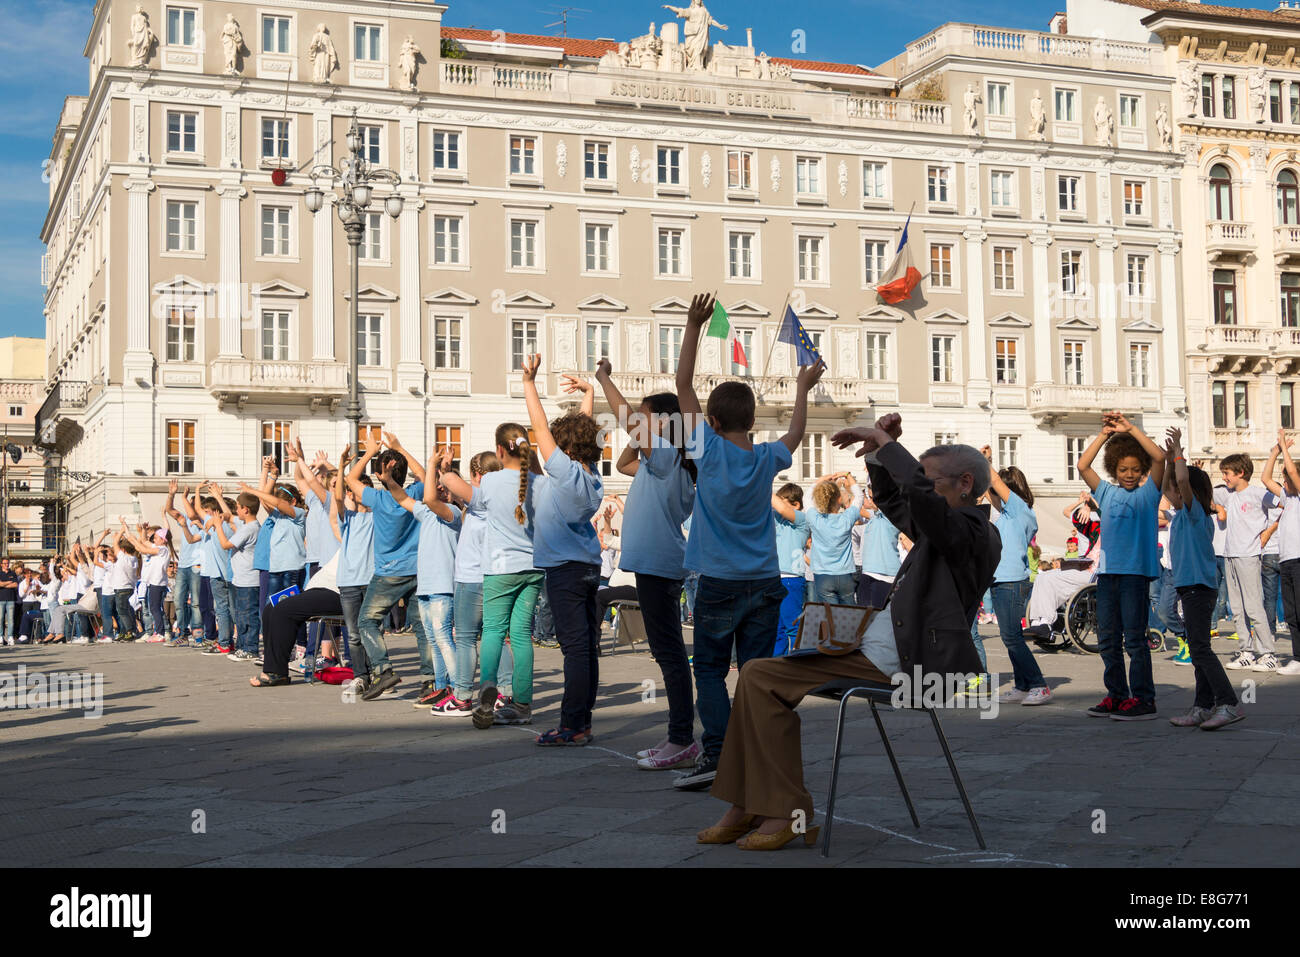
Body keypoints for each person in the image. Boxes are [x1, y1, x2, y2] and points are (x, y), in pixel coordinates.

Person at [697, 414, 996, 850]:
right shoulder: (945, 530)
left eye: (931, 483)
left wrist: (886, 446)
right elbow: (898, 503)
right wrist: (879, 452)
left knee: (759, 678)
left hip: (906, 667)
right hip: (877, 654)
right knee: (756, 676)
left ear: (964, 483)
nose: (923, 492)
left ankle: (786, 811)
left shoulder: (973, 533)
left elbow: (920, 502)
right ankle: (748, 804)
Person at [671, 291, 825, 793]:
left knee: (711, 672)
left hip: (717, 582)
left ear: (712, 422)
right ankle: (756, 754)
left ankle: (717, 754)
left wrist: (692, 327)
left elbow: (682, 385)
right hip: (764, 581)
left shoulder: (707, 450)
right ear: (752, 422)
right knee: (756, 674)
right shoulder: (765, 460)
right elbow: (799, 432)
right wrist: (803, 386)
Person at [596, 362, 700, 766]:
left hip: (659, 564)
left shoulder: (668, 457)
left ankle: (681, 739)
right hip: (657, 562)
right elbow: (623, 464)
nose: (638, 419)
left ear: (665, 422)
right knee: (667, 651)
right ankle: (679, 737)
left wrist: (606, 378)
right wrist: (641, 431)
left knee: (669, 653)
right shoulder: (663, 460)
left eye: (646, 414)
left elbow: (625, 421)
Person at [519, 356, 605, 746]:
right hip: (588, 566)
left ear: (564, 448)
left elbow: (540, 429)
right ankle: (582, 722)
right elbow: (582, 437)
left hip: (565, 571)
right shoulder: (590, 475)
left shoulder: (566, 472)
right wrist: (589, 394)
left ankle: (572, 725)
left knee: (574, 650)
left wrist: (529, 383)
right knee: (587, 647)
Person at [440, 423, 543, 729]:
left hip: (500, 568)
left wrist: (445, 469)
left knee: (494, 632)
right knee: (522, 636)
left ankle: (487, 686)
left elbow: (457, 488)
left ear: (499, 450)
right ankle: (522, 703)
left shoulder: (493, 482)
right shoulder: (538, 482)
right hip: (534, 568)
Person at [1076, 411, 1165, 720]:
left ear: (1142, 471)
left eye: (1135, 469)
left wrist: (1131, 429)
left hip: (1135, 576)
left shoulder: (1149, 495)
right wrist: (1104, 435)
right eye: (1123, 469)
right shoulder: (1107, 493)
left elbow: (1160, 457)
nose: (1129, 474)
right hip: (1109, 575)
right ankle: (1117, 694)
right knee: (1108, 639)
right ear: (1114, 469)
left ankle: (1144, 699)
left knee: (1135, 639)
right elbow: (1082, 465)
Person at [1162, 428, 1246, 728]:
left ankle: (1228, 703)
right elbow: (1167, 487)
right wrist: (1170, 461)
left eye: (1178, 489)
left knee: (1200, 649)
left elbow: (1182, 482)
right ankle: (1202, 705)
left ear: (1191, 493)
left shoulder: (1195, 512)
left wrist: (1180, 452)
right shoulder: (1183, 514)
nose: (1173, 492)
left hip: (1199, 589)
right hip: (1191, 589)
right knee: (1198, 648)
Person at [344, 432, 427, 700]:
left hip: (389, 572)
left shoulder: (378, 499)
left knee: (366, 621)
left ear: (381, 474)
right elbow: (425, 475)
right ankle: (430, 679)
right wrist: (400, 448)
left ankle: (383, 670)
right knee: (421, 626)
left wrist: (369, 453)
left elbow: (350, 480)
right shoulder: (413, 492)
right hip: (416, 568)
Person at [385, 445, 463, 709]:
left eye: (443, 487)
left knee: (443, 637)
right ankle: (442, 687)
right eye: (437, 486)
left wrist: (435, 467)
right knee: (433, 640)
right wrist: (389, 481)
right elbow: (402, 499)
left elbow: (430, 496)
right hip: (427, 586)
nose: (439, 489)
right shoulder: (426, 512)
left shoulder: (454, 514)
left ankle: (459, 688)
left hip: (443, 586)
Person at [443, 450, 513, 716]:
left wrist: (447, 467)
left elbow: (450, 480)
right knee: (497, 637)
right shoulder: (500, 499)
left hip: (471, 579)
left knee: (465, 639)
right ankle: (505, 693)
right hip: (493, 576)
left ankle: (461, 696)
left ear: (477, 475)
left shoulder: (483, 498)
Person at [981, 451, 1051, 706]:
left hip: (1012, 582)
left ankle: (1039, 685)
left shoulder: (1020, 510)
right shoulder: (1008, 515)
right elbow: (991, 490)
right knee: (1009, 636)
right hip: (1001, 580)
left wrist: (984, 462)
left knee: (1012, 637)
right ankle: (1023, 685)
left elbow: (995, 485)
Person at [1217, 450, 1280, 672]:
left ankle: (1268, 653)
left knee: (1253, 606)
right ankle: (1247, 651)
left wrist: (1269, 530)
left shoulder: (1257, 493)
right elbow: (1202, 492)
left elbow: (1283, 505)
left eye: (1227, 473)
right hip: (1230, 554)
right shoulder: (1228, 494)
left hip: (1249, 555)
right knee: (1237, 607)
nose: (1224, 478)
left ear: (1241, 472)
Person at [251, 555, 342, 688]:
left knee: (283, 611)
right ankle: (271, 668)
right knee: (270, 608)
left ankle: (277, 673)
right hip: (316, 588)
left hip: (336, 592)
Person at [329, 445, 374, 690]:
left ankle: (378, 673)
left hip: (371, 580)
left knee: (371, 631)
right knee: (354, 634)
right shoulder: (350, 518)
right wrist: (341, 465)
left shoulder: (378, 515)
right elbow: (337, 497)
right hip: (347, 581)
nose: (351, 494)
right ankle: (361, 676)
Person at [1260, 431, 1300, 675]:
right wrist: (1274, 452)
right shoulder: (1287, 497)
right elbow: (1265, 479)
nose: (1284, 483)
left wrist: (1286, 449)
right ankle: (1297, 658)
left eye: (1286, 480)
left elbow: (1293, 473)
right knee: (1292, 612)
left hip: (1299, 560)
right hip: (1286, 560)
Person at [211, 488, 262, 661]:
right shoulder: (248, 525)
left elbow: (225, 544)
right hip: (241, 578)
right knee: (240, 615)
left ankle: (250, 648)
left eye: (238, 507)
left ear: (245, 509)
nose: (236, 511)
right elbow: (228, 515)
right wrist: (218, 497)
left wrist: (218, 525)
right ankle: (242, 646)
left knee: (248, 615)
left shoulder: (249, 528)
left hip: (249, 579)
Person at [806, 473, 864, 606]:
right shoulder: (846, 518)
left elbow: (807, 497)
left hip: (823, 574)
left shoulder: (815, 519)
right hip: (845, 573)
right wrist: (848, 475)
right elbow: (859, 497)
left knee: (829, 614)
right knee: (849, 613)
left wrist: (821, 480)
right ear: (839, 500)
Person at [769, 483, 809, 657]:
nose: (778, 507)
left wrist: (762, 482)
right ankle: (778, 665)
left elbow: (781, 508)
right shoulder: (776, 518)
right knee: (777, 629)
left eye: (783, 502)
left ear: (796, 505)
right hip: (773, 578)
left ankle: (802, 662)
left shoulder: (802, 519)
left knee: (793, 627)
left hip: (791, 580)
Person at [118, 519, 172, 643]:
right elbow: (143, 542)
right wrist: (134, 531)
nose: (154, 539)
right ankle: (158, 632)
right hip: (152, 582)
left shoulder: (163, 549)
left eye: (157, 538)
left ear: (163, 540)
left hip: (158, 582)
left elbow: (143, 549)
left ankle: (160, 633)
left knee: (155, 608)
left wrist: (134, 541)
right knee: (153, 608)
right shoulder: (159, 547)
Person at [0, 557, 18, 646]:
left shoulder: (13, 573)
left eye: (7, 563)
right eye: (4, 563)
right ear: (1, 564)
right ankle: (1, 636)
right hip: (1, 599)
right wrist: (8, 582)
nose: (6, 565)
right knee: (0, 619)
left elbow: (15, 584)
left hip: (11, 599)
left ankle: (10, 636)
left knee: (11, 619)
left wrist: (4, 584)